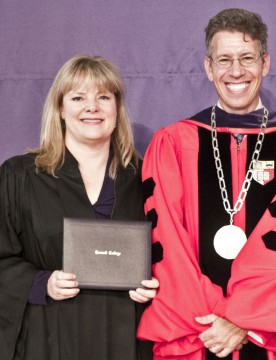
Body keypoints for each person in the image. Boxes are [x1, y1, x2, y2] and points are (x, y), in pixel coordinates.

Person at [137, 8, 276, 360]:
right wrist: (215, 319)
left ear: (266, 62)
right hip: (196, 335)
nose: (236, 71)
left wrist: (243, 320)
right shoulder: (173, 145)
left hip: (267, 340)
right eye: (224, 60)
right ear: (208, 67)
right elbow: (168, 247)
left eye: (247, 58)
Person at [0, 54, 159, 360]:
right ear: (60, 108)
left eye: (103, 97)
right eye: (77, 97)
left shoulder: (146, 178)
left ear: (117, 107)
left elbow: (172, 254)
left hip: (127, 338)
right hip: (49, 338)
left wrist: (154, 285)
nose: (92, 107)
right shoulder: (20, 177)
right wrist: (40, 282)